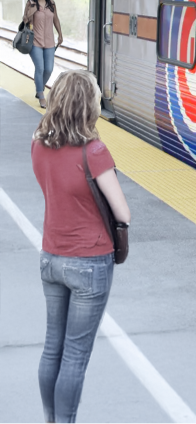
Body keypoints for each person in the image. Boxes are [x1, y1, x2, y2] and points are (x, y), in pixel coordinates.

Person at [31, 70, 130, 424]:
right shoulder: (95, 151)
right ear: (88, 105)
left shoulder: (38, 144)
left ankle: (50, 419)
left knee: (52, 348)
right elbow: (122, 212)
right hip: (89, 262)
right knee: (74, 355)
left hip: (51, 258)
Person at [22, 0, 64, 108]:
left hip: (50, 41)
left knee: (49, 69)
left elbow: (55, 19)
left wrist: (60, 34)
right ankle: (41, 96)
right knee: (39, 68)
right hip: (35, 41)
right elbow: (25, 21)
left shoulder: (51, 3)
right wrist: (31, 11)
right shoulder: (31, 3)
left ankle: (38, 88)